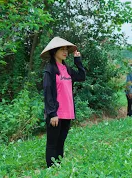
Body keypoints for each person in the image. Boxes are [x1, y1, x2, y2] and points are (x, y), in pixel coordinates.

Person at [41, 37, 86, 168]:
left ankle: (58, 167)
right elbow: (48, 92)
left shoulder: (67, 69)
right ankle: (51, 169)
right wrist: (52, 113)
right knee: (52, 143)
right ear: (54, 51)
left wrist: (78, 61)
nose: (65, 52)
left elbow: (82, 77)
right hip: (56, 113)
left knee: (61, 142)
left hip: (68, 112)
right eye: (62, 49)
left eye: (66, 49)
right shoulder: (49, 70)